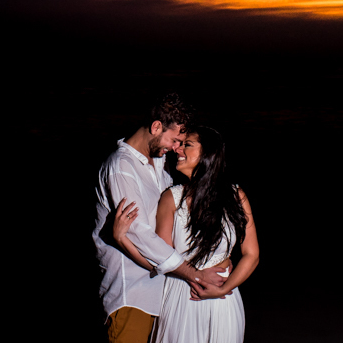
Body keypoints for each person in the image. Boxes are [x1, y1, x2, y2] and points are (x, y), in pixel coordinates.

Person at [94, 94, 230, 343]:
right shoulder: (121, 166)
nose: (177, 147)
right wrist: (194, 274)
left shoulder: (162, 165)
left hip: (167, 295)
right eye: (175, 139)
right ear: (156, 127)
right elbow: (139, 233)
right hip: (134, 295)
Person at [113, 125, 259, 343]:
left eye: (186, 145)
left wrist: (223, 289)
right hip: (182, 296)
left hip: (224, 301)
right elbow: (158, 258)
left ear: (207, 153)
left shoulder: (236, 196)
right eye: (179, 144)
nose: (178, 150)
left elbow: (251, 254)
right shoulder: (171, 198)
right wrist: (121, 239)